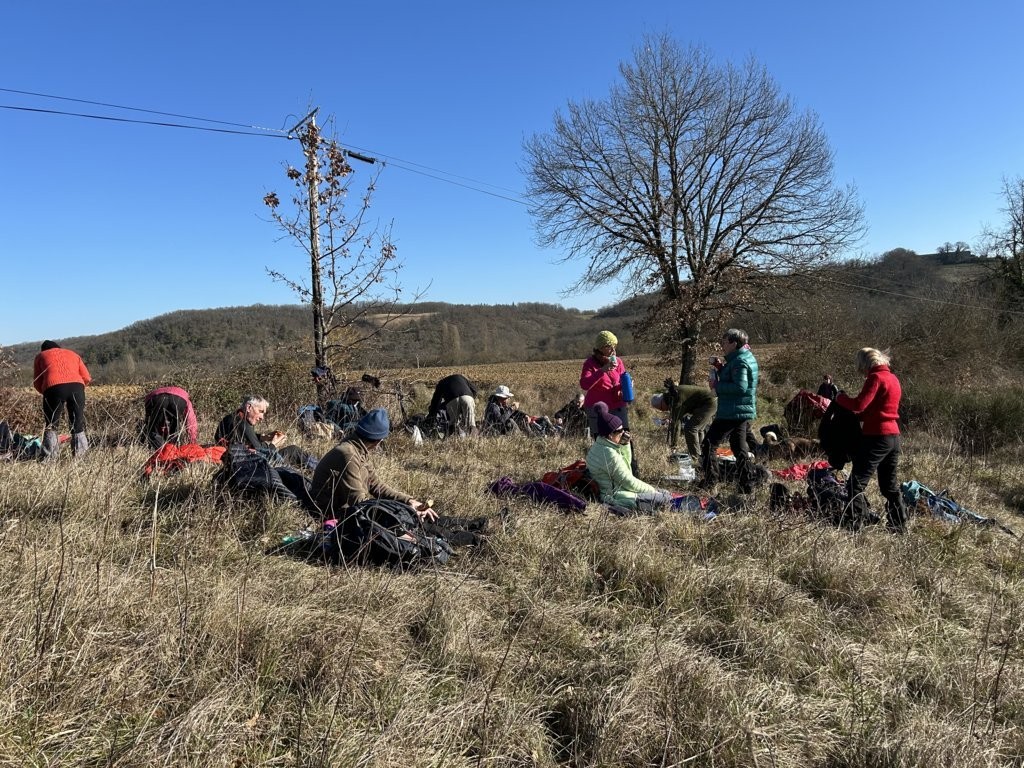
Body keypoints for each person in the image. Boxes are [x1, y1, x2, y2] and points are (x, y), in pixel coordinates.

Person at [311, 408, 438, 523]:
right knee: (415, 522)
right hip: (333, 515)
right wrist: (403, 510)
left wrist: (408, 501)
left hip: (348, 510)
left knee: (428, 520)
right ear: (379, 441)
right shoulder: (348, 454)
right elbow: (358, 502)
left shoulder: (358, 449)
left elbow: (377, 486)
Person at [835, 348, 908, 532]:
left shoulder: (875, 378)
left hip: (876, 437)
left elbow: (859, 405)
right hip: (894, 437)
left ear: (864, 363)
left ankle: (854, 524)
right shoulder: (893, 378)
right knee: (889, 487)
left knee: (855, 485)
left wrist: (840, 398)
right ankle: (899, 525)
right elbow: (878, 410)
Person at [700, 328, 759, 493]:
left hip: (732, 410)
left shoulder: (740, 361)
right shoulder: (741, 357)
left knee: (709, 444)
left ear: (734, 343)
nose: (722, 346)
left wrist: (717, 387)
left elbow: (740, 387)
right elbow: (736, 379)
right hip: (740, 408)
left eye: (725, 342)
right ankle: (746, 484)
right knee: (739, 447)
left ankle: (711, 481)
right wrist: (720, 367)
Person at [586, 403, 673, 512]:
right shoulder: (609, 454)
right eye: (619, 431)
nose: (623, 433)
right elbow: (629, 481)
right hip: (617, 497)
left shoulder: (599, 446)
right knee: (667, 498)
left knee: (665, 492)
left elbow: (626, 467)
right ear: (610, 435)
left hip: (617, 491)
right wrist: (653, 491)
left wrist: (624, 445)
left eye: (623, 429)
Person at [580, 330, 638, 473]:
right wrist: (602, 371)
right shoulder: (590, 363)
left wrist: (626, 386)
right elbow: (585, 384)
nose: (613, 350)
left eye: (614, 346)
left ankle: (631, 472)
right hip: (598, 410)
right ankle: (605, 474)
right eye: (609, 346)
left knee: (625, 439)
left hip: (618, 406)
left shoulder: (618, 362)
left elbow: (622, 379)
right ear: (600, 348)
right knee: (602, 443)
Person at [215, 395, 316, 470]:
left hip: (238, 460)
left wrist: (265, 437)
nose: (262, 417)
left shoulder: (232, 418)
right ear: (249, 407)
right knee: (294, 451)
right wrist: (274, 444)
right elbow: (262, 454)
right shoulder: (243, 424)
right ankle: (320, 468)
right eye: (261, 411)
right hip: (252, 465)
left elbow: (244, 439)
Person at [32, 340, 91, 459]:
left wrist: (46, 392)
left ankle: (50, 458)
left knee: (51, 425)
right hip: (77, 387)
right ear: (59, 347)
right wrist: (78, 387)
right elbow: (86, 377)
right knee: (77, 423)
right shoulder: (72, 354)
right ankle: (81, 458)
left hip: (53, 388)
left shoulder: (41, 356)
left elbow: (37, 381)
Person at [651, 380, 717, 462]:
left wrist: (673, 446)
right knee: (699, 429)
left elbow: (676, 425)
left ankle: (695, 458)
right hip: (710, 401)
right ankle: (702, 455)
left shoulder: (675, 399)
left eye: (661, 408)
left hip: (709, 403)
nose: (663, 410)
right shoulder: (672, 396)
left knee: (690, 429)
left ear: (662, 402)